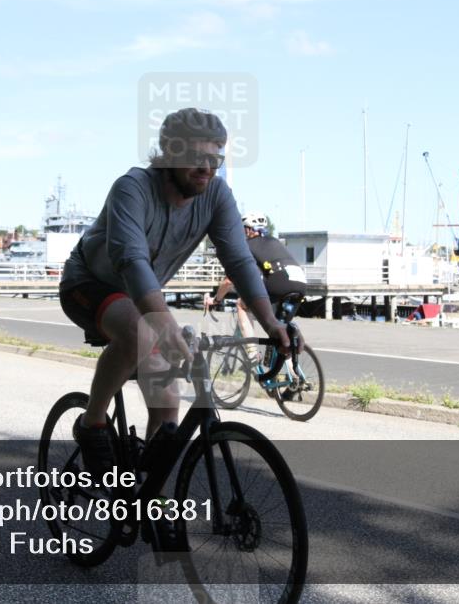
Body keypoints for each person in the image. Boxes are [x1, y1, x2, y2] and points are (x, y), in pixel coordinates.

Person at [59, 108, 299, 480]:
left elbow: (239, 260)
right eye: (194, 157)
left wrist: (271, 322)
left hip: (141, 297)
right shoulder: (133, 188)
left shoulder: (216, 194)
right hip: (90, 284)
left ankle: (149, 495)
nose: (206, 168)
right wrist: (166, 328)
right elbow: (133, 261)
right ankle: (92, 424)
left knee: (168, 401)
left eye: (214, 159)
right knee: (141, 331)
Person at [204, 213, 309, 363]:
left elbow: (228, 281)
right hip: (300, 283)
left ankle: (253, 353)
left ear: (248, 230)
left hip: (280, 282)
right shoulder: (274, 241)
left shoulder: (246, 246)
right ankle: (292, 377)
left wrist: (216, 299)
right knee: (280, 334)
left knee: (241, 304)